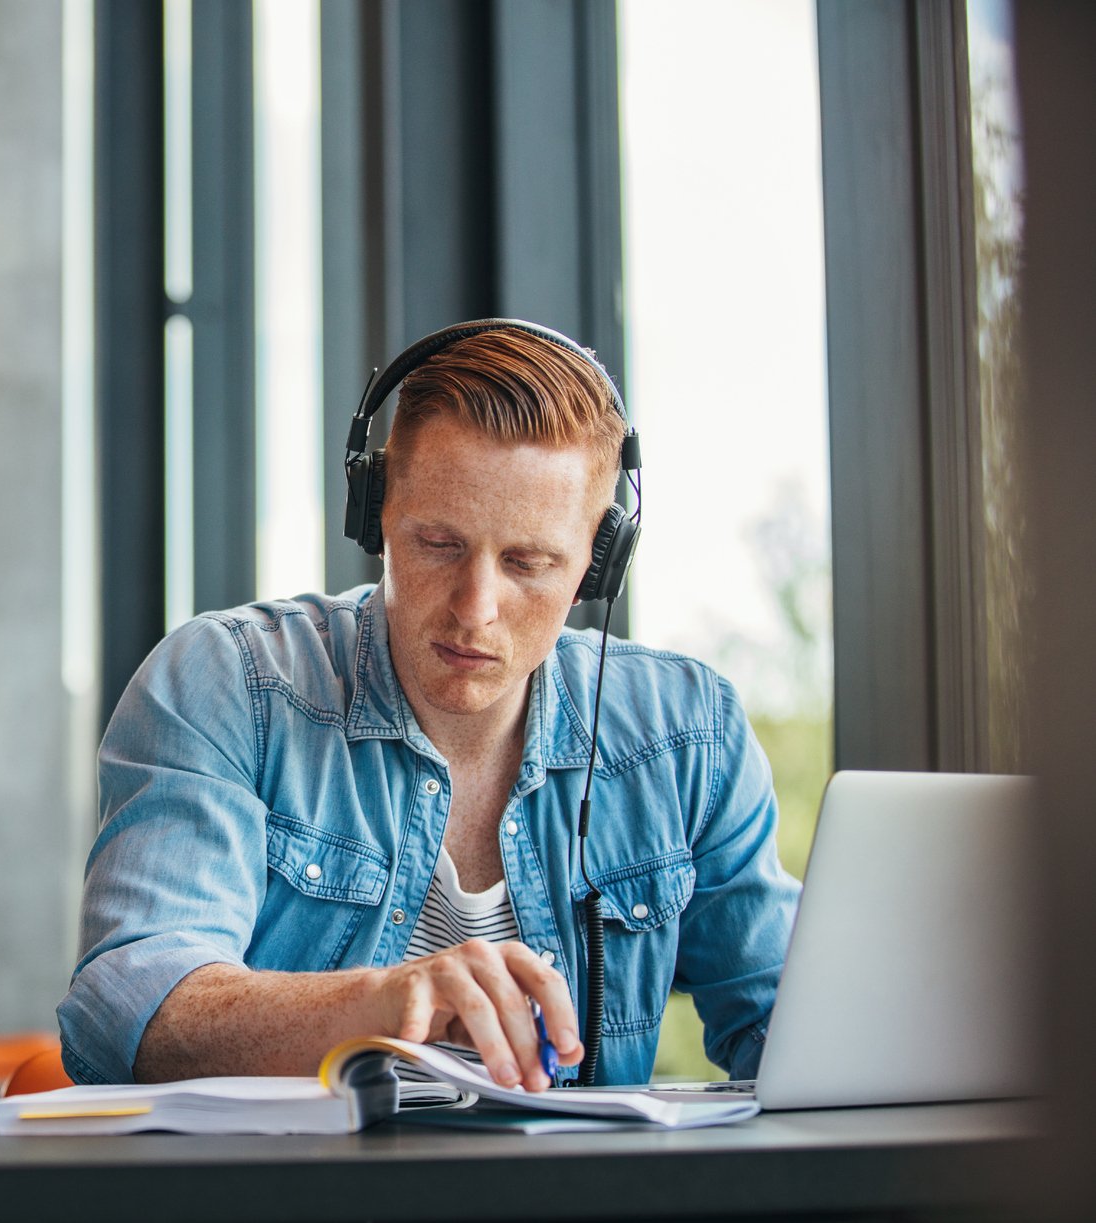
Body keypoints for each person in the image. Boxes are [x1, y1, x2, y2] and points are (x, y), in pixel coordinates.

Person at [56, 323, 801, 1093]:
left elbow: (792, 1021)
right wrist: (385, 1003)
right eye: (439, 544)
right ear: (375, 512)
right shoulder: (228, 684)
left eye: (528, 562)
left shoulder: (687, 734)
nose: (476, 609)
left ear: (597, 562)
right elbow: (130, 1009)